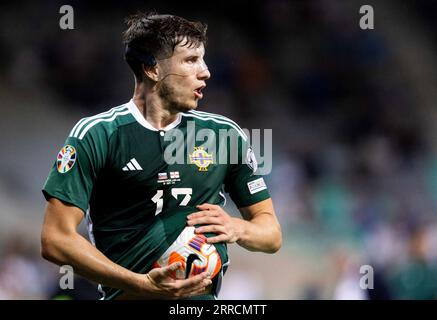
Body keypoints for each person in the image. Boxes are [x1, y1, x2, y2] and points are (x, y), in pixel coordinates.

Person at [41, 12, 282, 300]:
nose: (205, 72)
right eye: (191, 60)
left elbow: (271, 234)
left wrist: (237, 227)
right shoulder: (98, 134)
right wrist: (139, 283)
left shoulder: (224, 135)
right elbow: (55, 240)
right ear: (151, 69)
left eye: (203, 60)